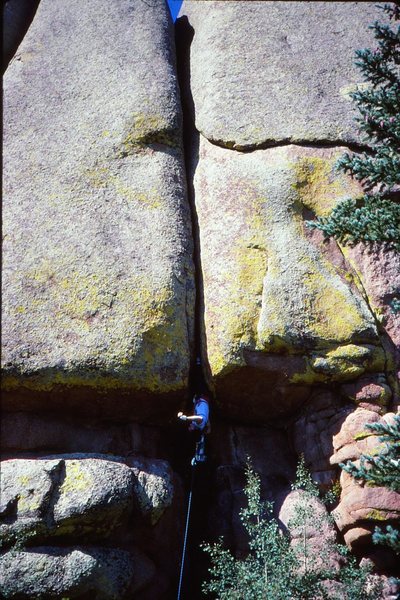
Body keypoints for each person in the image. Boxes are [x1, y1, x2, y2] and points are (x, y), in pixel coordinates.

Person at [178, 394, 210, 463]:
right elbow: (199, 418)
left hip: (200, 402)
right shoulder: (200, 423)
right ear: (194, 429)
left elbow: (208, 428)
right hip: (202, 398)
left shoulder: (200, 426)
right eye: (190, 429)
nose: (189, 428)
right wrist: (186, 418)